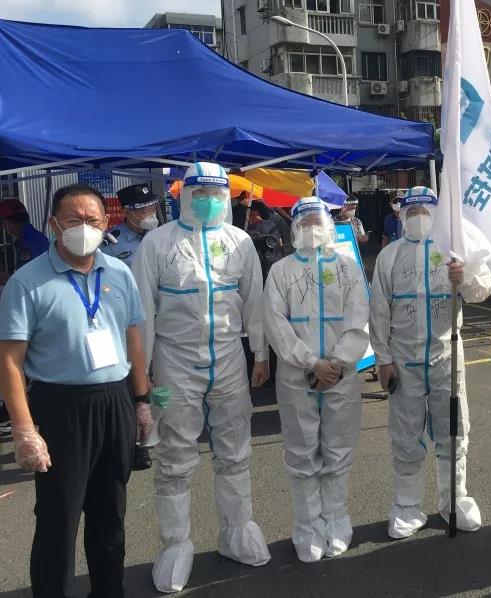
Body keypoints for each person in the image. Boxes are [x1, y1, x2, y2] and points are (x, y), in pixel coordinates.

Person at [0, 183, 151, 598]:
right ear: (54, 224)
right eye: (73, 220)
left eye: (92, 220)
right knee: (59, 519)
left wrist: (141, 400)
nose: (84, 228)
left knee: (110, 515)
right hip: (60, 407)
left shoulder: (119, 272)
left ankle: (109, 591)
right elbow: (9, 360)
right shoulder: (27, 282)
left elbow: (133, 339)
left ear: (106, 224)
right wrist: (24, 430)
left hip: (115, 402)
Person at [131, 162, 271, 593]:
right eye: (201, 193)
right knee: (175, 457)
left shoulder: (239, 241)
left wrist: (260, 353)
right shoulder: (157, 243)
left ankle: (237, 531)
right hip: (174, 362)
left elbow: (254, 301)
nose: (209, 201)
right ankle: (175, 545)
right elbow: (142, 311)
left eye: (216, 193)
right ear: (185, 195)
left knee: (235, 450)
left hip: (228, 358)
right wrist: (142, 374)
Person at [370, 186, 491, 539]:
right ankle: (407, 506)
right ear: (401, 216)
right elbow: (378, 310)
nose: (420, 217)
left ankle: (454, 498)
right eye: (413, 211)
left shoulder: (454, 252)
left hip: (446, 357)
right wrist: (383, 359)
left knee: (453, 428)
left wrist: (463, 277)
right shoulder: (390, 256)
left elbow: (481, 291)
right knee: (405, 435)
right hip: (404, 361)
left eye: (427, 211)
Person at [263, 197, 370, 561]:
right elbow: (275, 323)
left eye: (317, 221)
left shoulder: (347, 268)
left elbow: (359, 318)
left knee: (338, 450)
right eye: (304, 222)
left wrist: (336, 363)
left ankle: (337, 519)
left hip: (341, 376)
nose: (311, 228)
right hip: (298, 377)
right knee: (301, 453)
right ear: (294, 228)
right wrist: (310, 362)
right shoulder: (281, 271)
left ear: (329, 226)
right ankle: (307, 526)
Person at [101, 183, 160, 264]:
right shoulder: (110, 244)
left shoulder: (158, 235)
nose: (151, 215)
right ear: (126, 212)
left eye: (153, 209)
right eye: (144, 211)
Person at [0, 197, 49, 278]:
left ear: (8, 223)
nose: (3, 228)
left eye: (2, 224)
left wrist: (7, 278)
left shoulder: (28, 243)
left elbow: (27, 277)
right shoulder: (36, 237)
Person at [247, 200, 285, 280]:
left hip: (263, 268)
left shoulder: (252, 229)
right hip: (278, 263)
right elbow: (280, 243)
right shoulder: (272, 224)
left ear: (253, 213)